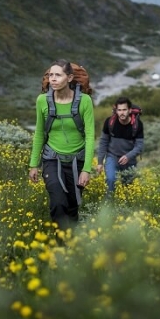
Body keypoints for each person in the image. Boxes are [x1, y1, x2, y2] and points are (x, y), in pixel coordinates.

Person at [29, 60, 95, 236]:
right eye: (51, 75)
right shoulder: (42, 101)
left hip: (77, 162)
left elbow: (90, 137)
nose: (53, 79)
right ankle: (60, 246)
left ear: (70, 77)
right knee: (58, 204)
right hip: (52, 159)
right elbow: (39, 134)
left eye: (58, 75)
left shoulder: (85, 101)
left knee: (72, 208)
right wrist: (33, 164)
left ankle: (71, 247)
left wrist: (86, 169)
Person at [96, 96, 144, 199]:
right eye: (119, 110)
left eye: (124, 110)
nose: (122, 113)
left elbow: (139, 146)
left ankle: (126, 208)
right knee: (110, 179)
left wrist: (128, 156)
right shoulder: (110, 122)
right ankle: (108, 206)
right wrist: (100, 162)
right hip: (112, 156)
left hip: (129, 160)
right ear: (116, 110)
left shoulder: (137, 125)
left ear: (130, 110)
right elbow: (103, 142)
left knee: (128, 187)